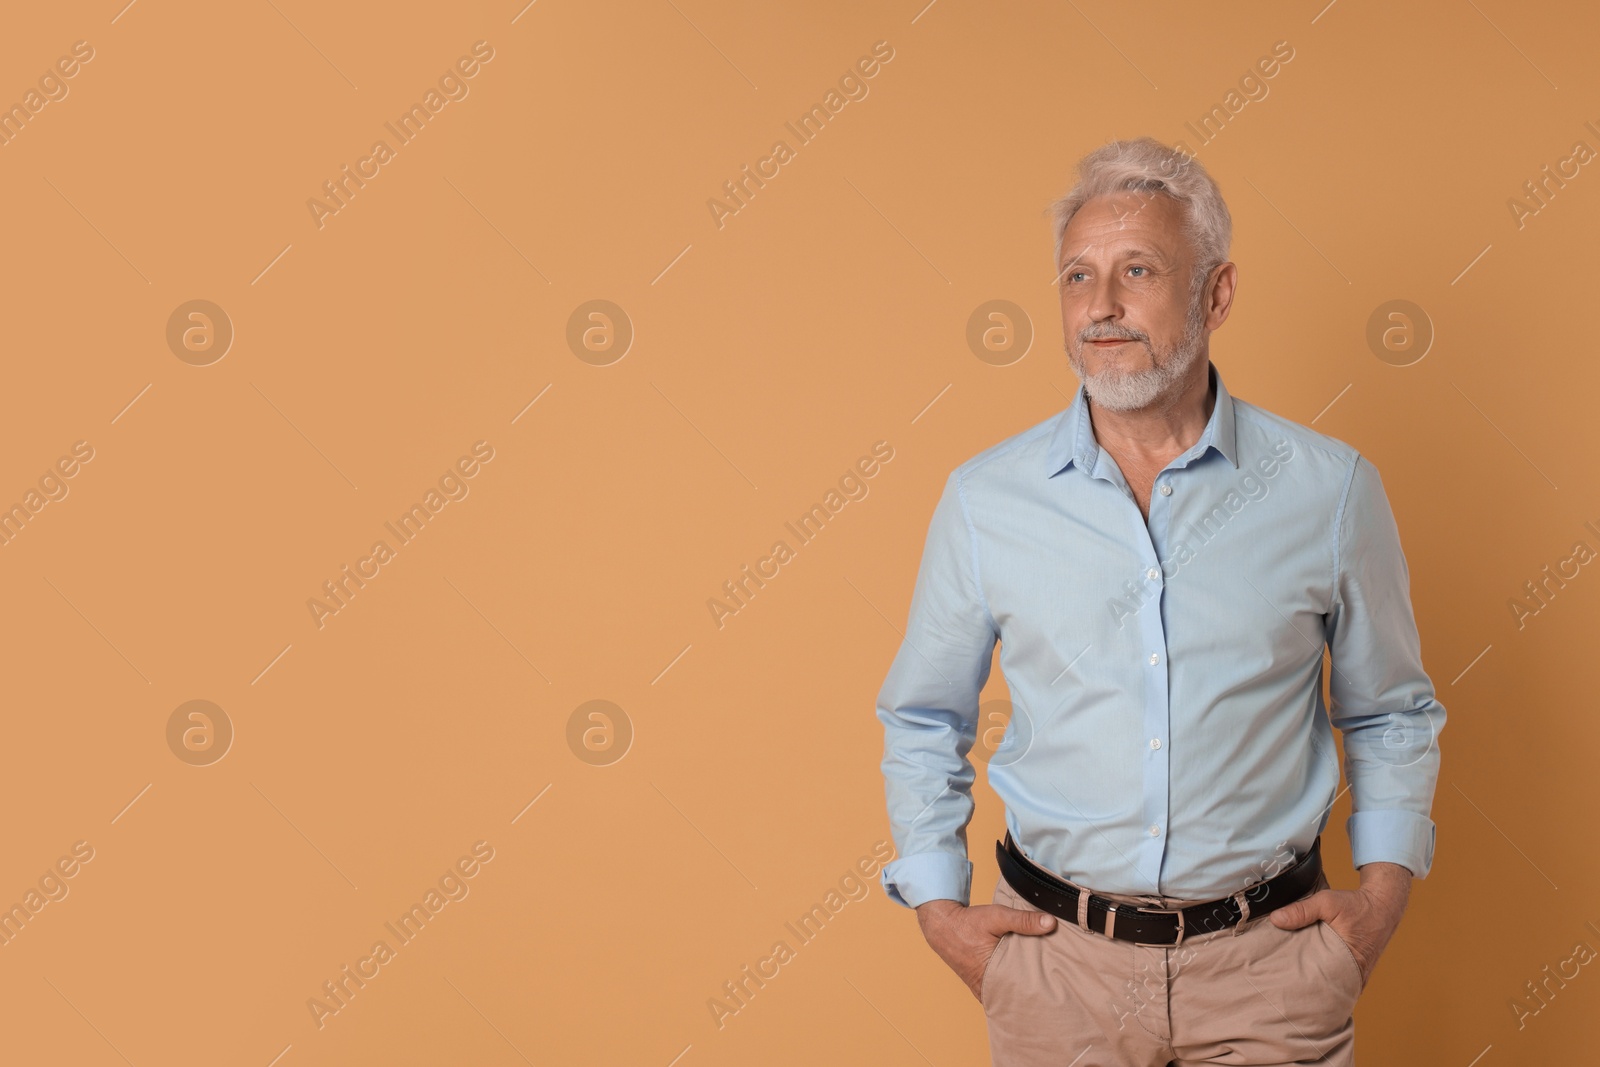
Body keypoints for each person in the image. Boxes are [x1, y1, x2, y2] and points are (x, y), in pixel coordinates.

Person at [875, 136, 1444, 1066]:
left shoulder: (1329, 490)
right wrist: (940, 905)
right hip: (1054, 971)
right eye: (1077, 276)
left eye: (1137, 270)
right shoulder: (986, 500)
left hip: (1273, 969)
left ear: (1216, 294)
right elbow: (922, 716)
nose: (1100, 305)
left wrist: (1377, 903)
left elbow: (1390, 710)